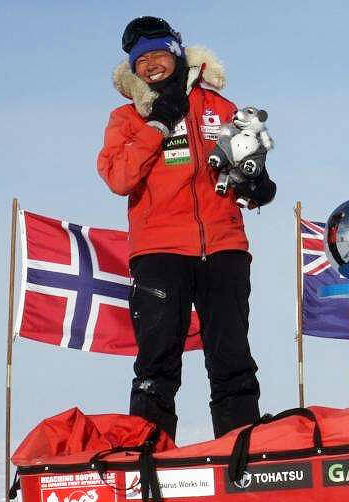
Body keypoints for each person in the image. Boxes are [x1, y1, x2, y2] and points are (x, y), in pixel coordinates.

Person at [97, 17, 276, 440]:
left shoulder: (220, 107)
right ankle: (148, 457)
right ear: (132, 69)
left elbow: (245, 168)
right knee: (158, 360)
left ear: (177, 55)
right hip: (159, 252)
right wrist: (156, 124)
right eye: (141, 60)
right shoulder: (126, 118)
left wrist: (258, 185)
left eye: (159, 54)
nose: (151, 65)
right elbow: (119, 178)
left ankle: (241, 454)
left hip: (224, 246)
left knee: (232, 355)